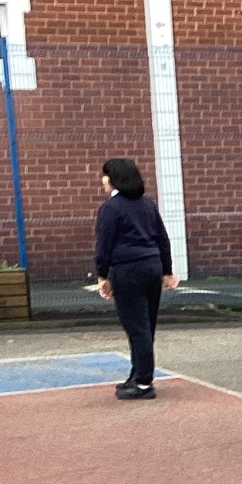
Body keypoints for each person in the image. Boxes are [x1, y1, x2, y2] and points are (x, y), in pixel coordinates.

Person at [94, 158, 177, 399]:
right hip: (152, 265)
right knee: (146, 326)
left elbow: (104, 245)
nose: (103, 180)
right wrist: (167, 270)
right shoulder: (147, 204)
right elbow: (162, 238)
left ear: (114, 179)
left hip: (128, 269)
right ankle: (137, 374)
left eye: (105, 175)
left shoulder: (111, 208)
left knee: (136, 327)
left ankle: (143, 383)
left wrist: (102, 275)